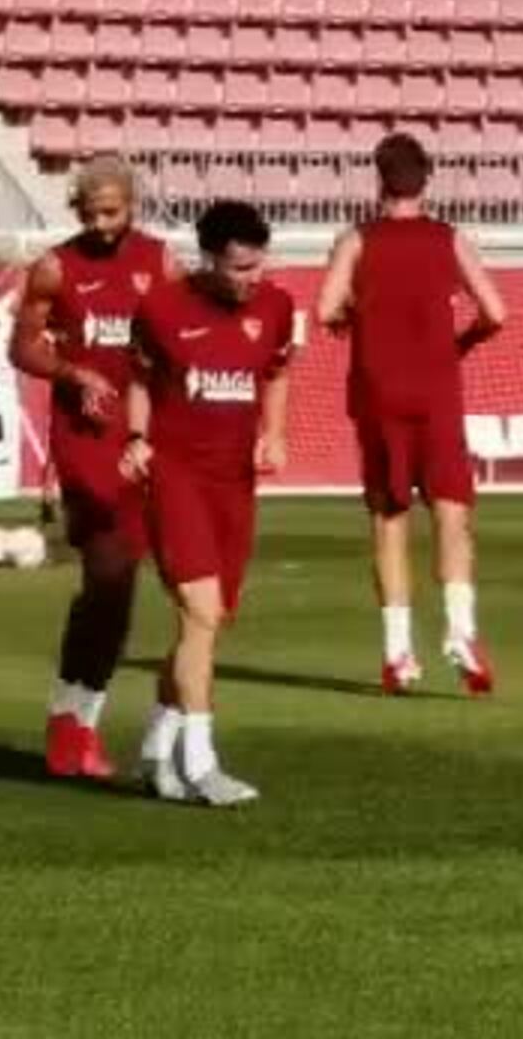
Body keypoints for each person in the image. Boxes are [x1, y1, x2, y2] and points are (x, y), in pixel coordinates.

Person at [317, 133, 507, 695]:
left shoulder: (356, 240)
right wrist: (459, 343)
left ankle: (398, 652)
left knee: (389, 520)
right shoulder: (449, 239)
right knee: (452, 515)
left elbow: (326, 308)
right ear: (427, 179)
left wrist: (359, 310)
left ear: (379, 180)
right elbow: (496, 311)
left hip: (378, 393)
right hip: (437, 391)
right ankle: (460, 630)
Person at [8, 155, 179, 781]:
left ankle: (80, 719)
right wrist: (70, 371)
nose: (105, 224)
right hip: (85, 441)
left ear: (132, 205)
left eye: (116, 212)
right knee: (108, 571)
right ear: (77, 210)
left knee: (121, 589)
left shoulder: (160, 263)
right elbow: (21, 345)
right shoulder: (56, 268)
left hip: (143, 439)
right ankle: (68, 718)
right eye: (92, 213)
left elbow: (179, 340)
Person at [121, 200, 294, 806]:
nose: (251, 279)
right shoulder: (163, 309)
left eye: (257, 266)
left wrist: (274, 432)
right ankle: (201, 762)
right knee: (200, 609)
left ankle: (152, 748)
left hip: (232, 484)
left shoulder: (276, 307)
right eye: (239, 268)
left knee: (209, 620)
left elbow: (276, 372)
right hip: (176, 476)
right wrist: (138, 439)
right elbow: (139, 379)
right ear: (210, 259)